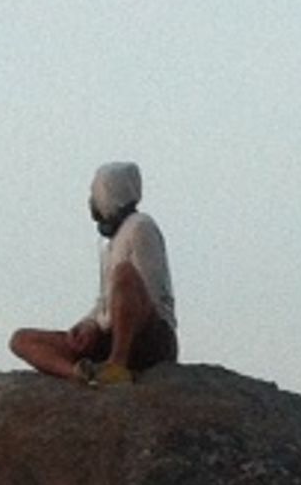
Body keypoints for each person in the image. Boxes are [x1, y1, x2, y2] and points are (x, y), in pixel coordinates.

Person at [10, 161, 178, 384]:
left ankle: (117, 365)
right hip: (109, 333)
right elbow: (106, 302)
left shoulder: (140, 227)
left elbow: (145, 292)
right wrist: (89, 324)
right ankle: (81, 374)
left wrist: (102, 325)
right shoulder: (111, 243)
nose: (91, 202)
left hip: (148, 338)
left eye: (95, 194)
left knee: (124, 273)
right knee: (21, 340)